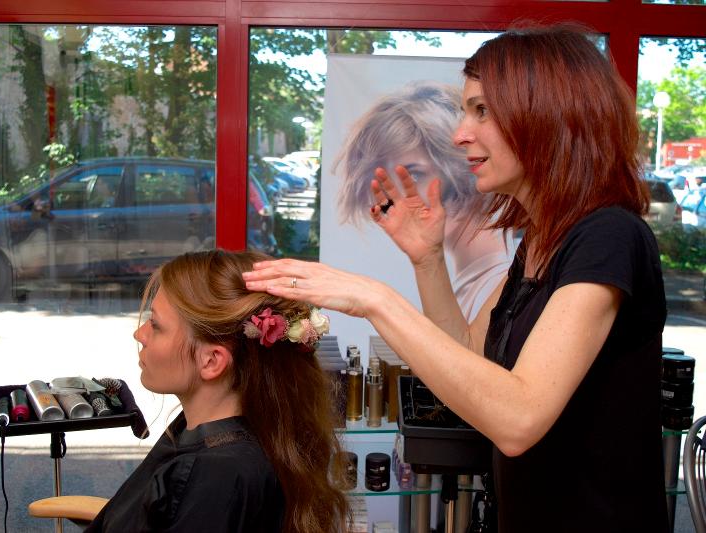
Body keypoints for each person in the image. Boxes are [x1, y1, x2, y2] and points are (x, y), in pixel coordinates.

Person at [243, 24, 668, 532]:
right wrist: (427, 260)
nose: (460, 132)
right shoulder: (541, 241)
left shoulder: (608, 236)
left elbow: (518, 418)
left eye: (482, 110)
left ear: (549, 115)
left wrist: (376, 299)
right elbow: (468, 360)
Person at [87, 250, 349, 533]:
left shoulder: (216, 480)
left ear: (212, 361)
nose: (140, 335)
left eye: (156, 325)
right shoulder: (251, 432)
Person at [333, 80, 515, 321]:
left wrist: (376, 302)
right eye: (388, 179)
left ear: (459, 167)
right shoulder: (470, 280)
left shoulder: (497, 282)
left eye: (414, 174)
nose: (397, 196)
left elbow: (456, 358)